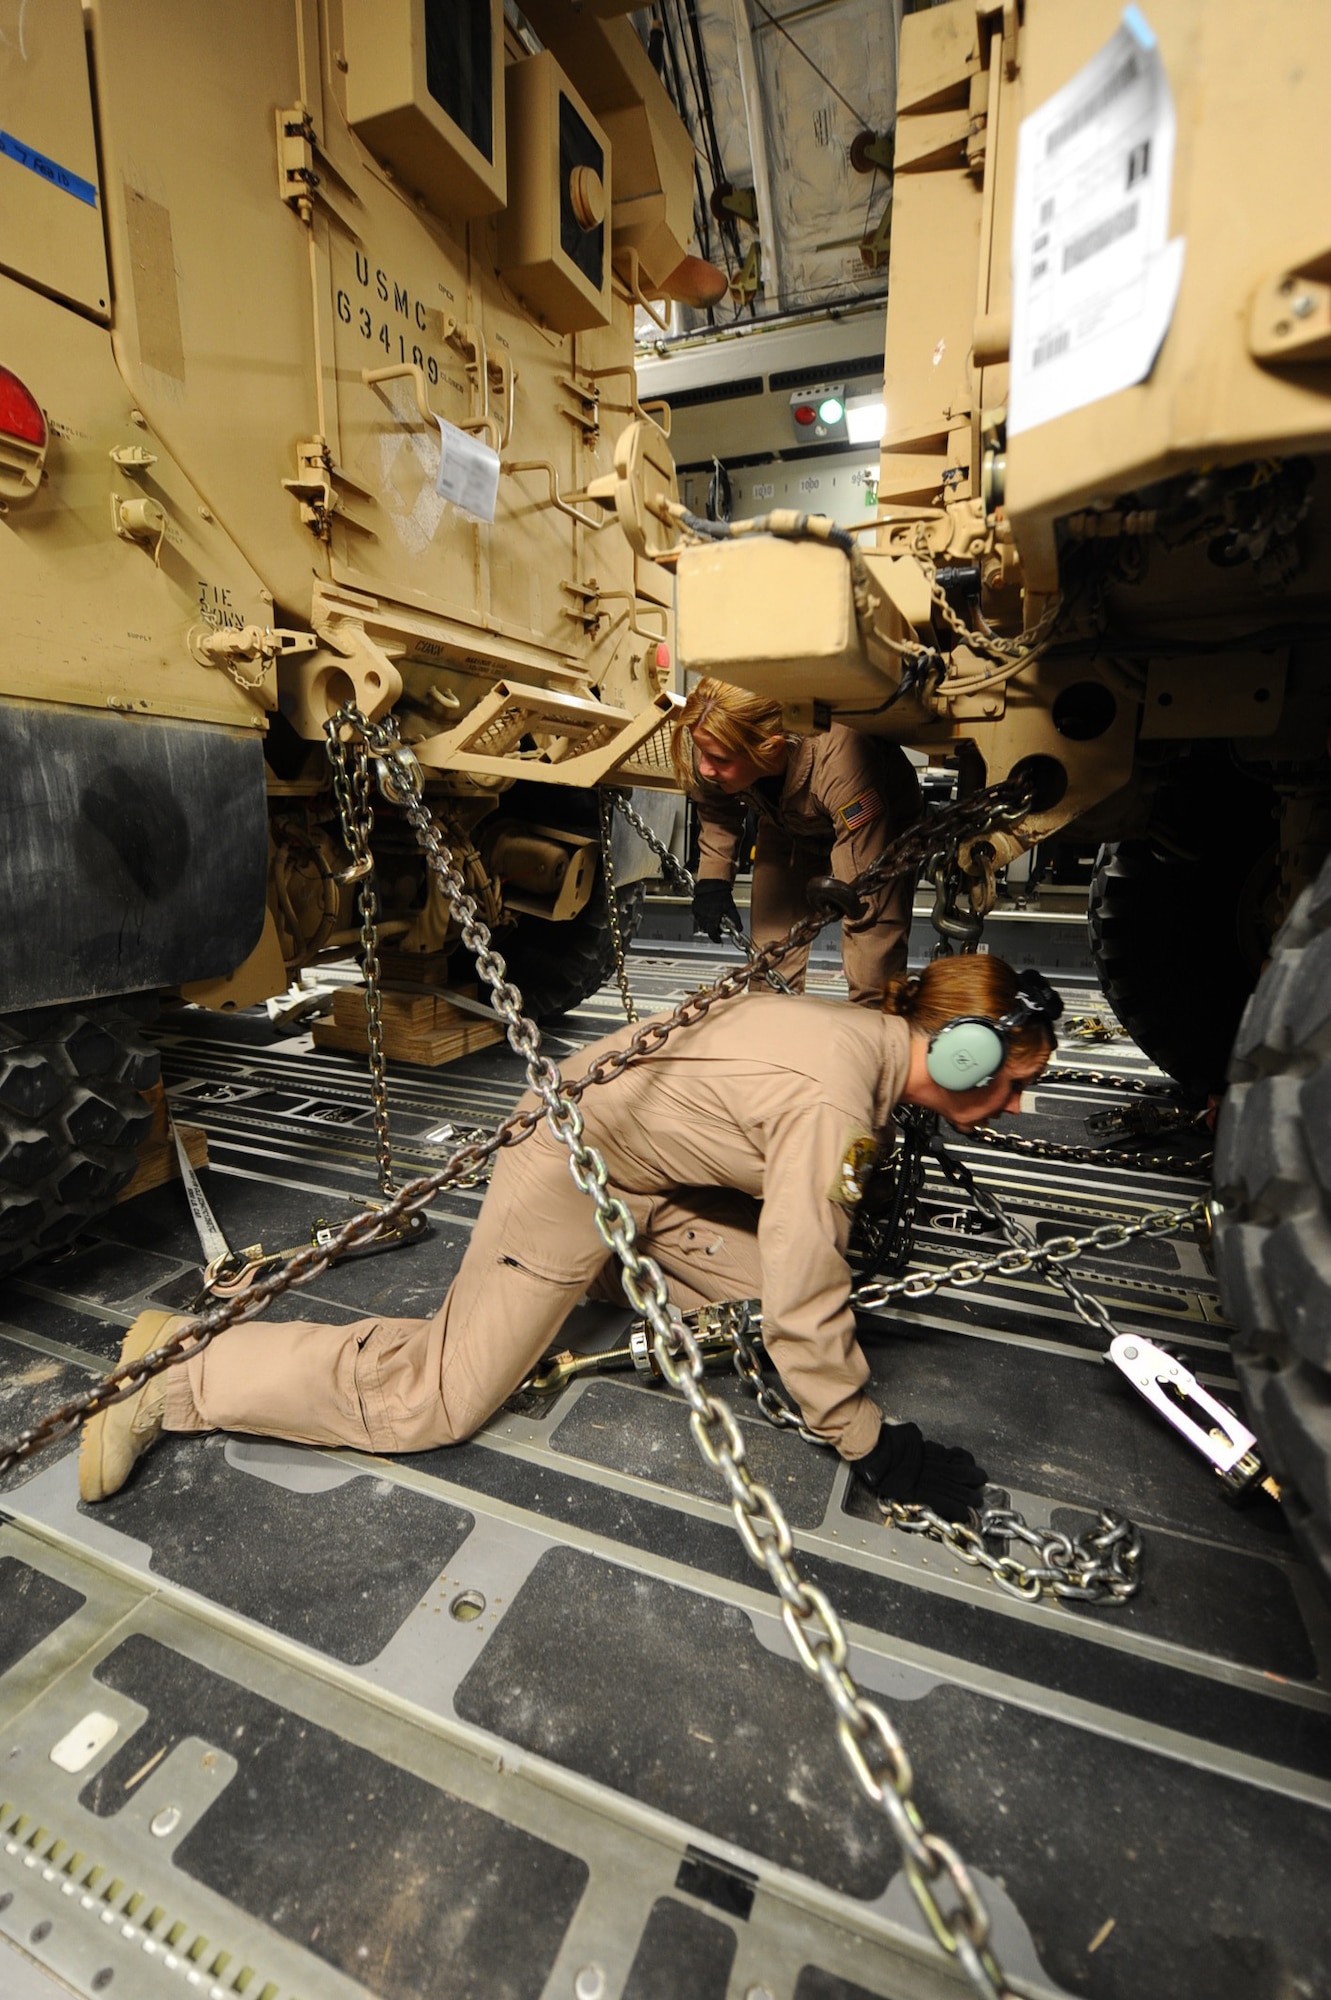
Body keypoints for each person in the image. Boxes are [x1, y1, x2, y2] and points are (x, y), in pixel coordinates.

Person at [80, 956, 1060, 1519]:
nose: (1013, 1105)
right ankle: (175, 1373)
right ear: (959, 1052)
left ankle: (593, 1281)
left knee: (758, 1312)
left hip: (649, 1178)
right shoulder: (834, 1098)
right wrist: (870, 1442)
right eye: (1009, 1082)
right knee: (438, 1399)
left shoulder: (859, 1043)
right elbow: (811, 1293)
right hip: (572, 1171)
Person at [671, 677, 924, 1006]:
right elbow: (718, 809)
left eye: (719, 760)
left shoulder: (839, 762)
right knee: (770, 955)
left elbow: (865, 889)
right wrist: (713, 880)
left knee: (873, 949)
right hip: (789, 821)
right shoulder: (714, 738)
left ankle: (877, 1034)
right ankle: (772, 1035)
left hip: (873, 824)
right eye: (702, 752)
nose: (705, 768)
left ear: (771, 747)